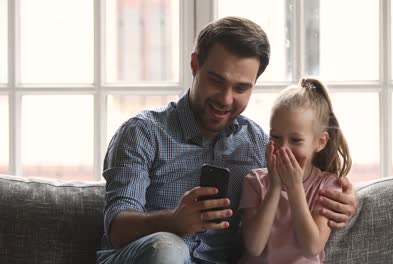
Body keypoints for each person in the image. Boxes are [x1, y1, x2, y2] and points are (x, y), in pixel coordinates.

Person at [97, 16, 358, 264]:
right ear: (195, 66)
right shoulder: (143, 133)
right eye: (216, 80)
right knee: (169, 247)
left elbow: (301, 177)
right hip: (150, 257)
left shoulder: (258, 144)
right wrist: (174, 221)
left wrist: (346, 200)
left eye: (241, 88)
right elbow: (117, 228)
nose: (225, 98)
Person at [238, 77, 352, 264]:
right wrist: (275, 186)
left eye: (296, 140)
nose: (283, 148)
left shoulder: (328, 185)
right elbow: (254, 247)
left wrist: (294, 187)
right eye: (275, 137)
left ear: (320, 142)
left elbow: (312, 247)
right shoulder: (255, 181)